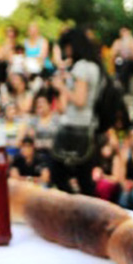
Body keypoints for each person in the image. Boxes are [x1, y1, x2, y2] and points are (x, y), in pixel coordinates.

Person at [50, 27, 103, 196]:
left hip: (75, 128)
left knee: (59, 173)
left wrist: (61, 87)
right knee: (84, 179)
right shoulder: (94, 67)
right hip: (86, 126)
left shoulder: (81, 67)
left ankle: (78, 208)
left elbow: (79, 100)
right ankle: (87, 212)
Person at [110, 27, 133, 92]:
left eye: (125, 31)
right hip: (121, 62)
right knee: (119, 61)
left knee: (127, 63)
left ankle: (119, 80)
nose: (124, 33)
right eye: (122, 32)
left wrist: (129, 45)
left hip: (131, 63)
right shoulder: (117, 42)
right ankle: (121, 82)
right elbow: (113, 54)